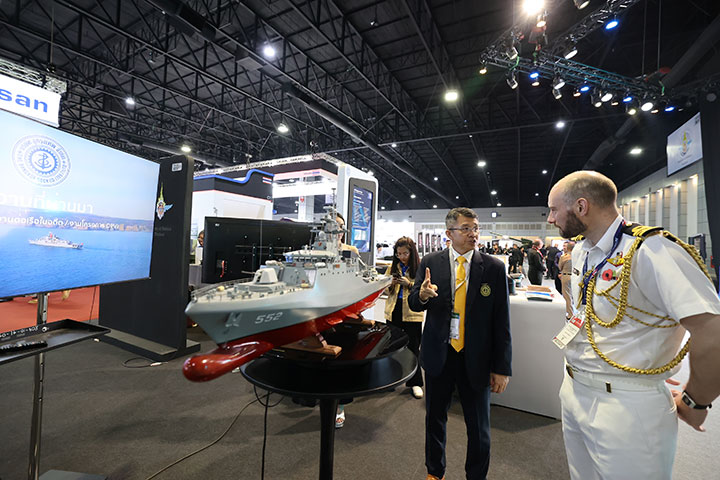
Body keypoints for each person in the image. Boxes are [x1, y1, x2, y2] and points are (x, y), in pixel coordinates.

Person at [547, 170, 720, 480]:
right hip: (574, 389)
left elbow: (712, 331)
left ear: (581, 206)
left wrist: (696, 401)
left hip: (626, 406)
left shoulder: (653, 250)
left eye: (554, 209)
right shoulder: (582, 251)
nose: (550, 218)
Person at [408, 207, 512, 480]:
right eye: (466, 228)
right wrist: (422, 295)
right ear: (449, 233)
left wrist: (502, 367)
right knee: (434, 420)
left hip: (476, 357)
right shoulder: (431, 262)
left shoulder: (493, 267)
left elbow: (502, 321)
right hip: (439, 354)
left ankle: (476, 476)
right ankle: (435, 472)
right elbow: (414, 303)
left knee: (479, 426)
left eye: (475, 228)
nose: (473, 234)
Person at [384, 236, 425, 399]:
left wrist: (409, 284)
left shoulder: (420, 268)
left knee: (413, 348)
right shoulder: (392, 267)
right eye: (398, 254)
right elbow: (384, 290)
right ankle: (391, 379)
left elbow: (423, 290)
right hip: (393, 311)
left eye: (405, 253)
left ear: (411, 252)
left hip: (412, 313)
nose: (401, 257)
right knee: (391, 347)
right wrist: (391, 284)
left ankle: (415, 383)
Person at [333, 212, 358, 428]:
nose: (338, 231)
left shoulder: (351, 251)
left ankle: (340, 406)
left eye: (341, 226)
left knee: (344, 359)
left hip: (345, 312)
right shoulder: (312, 251)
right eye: (334, 226)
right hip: (320, 311)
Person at [556, 241, 574, 319]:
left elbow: (560, 267)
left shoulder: (564, 257)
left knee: (567, 295)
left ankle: (570, 314)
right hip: (575, 276)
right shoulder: (577, 256)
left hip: (566, 276)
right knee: (573, 295)